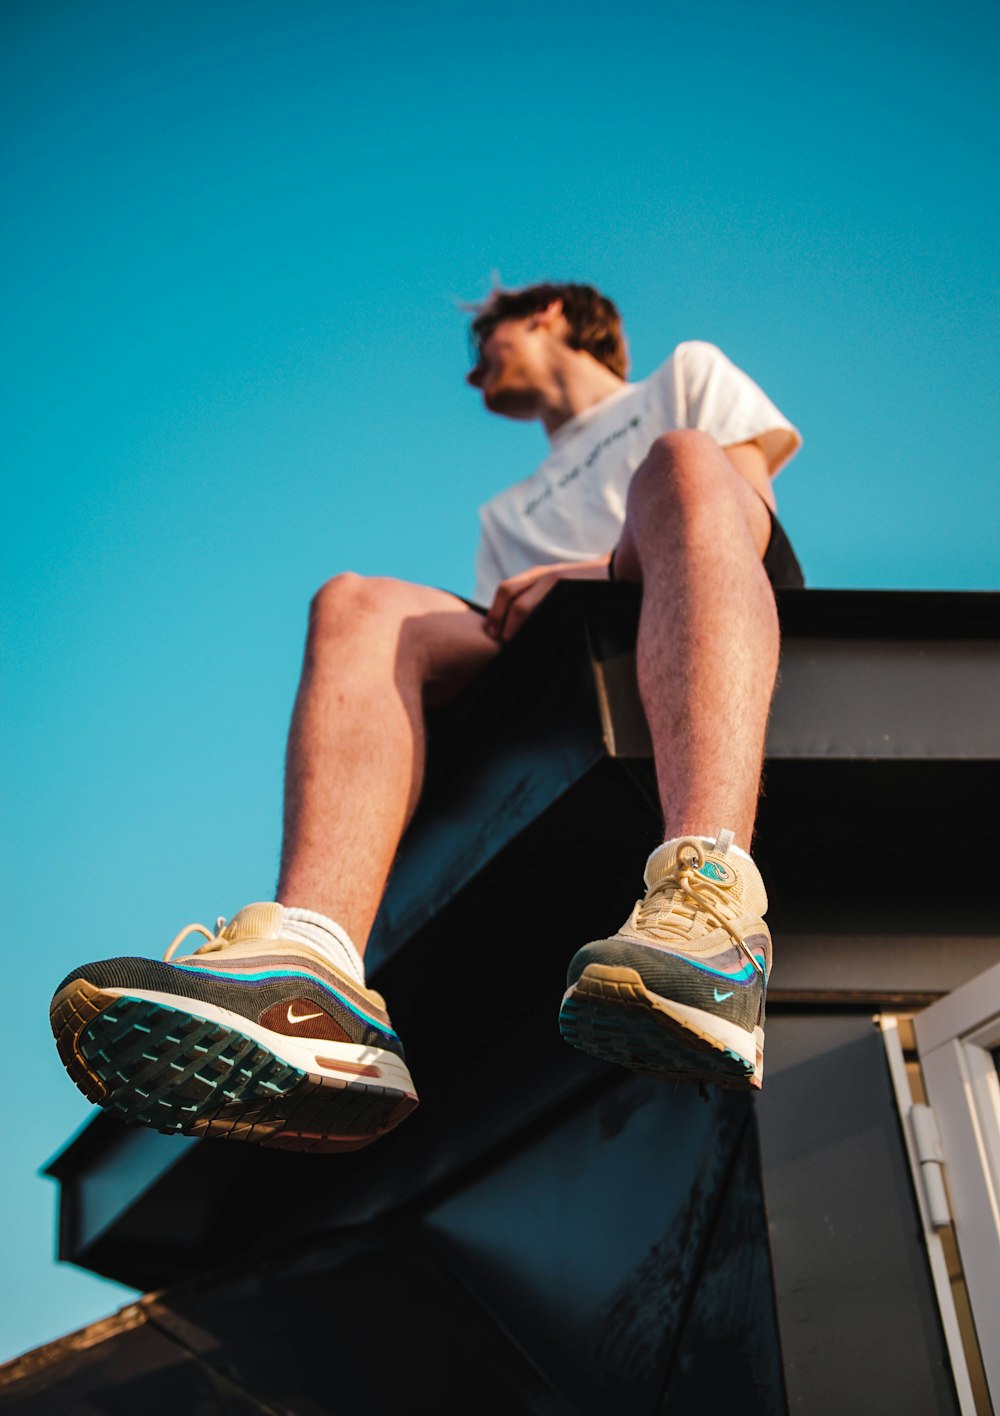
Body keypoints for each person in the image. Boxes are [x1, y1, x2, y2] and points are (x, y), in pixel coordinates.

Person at [50, 283, 803, 1153]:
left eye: (485, 346)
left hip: (667, 564)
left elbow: (742, 503)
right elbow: (506, 627)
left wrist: (585, 571)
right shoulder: (508, 514)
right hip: (552, 648)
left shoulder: (682, 375)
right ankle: (314, 976)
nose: (473, 374)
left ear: (548, 314)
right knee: (357, 603)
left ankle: (712, 910)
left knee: (681, 458)